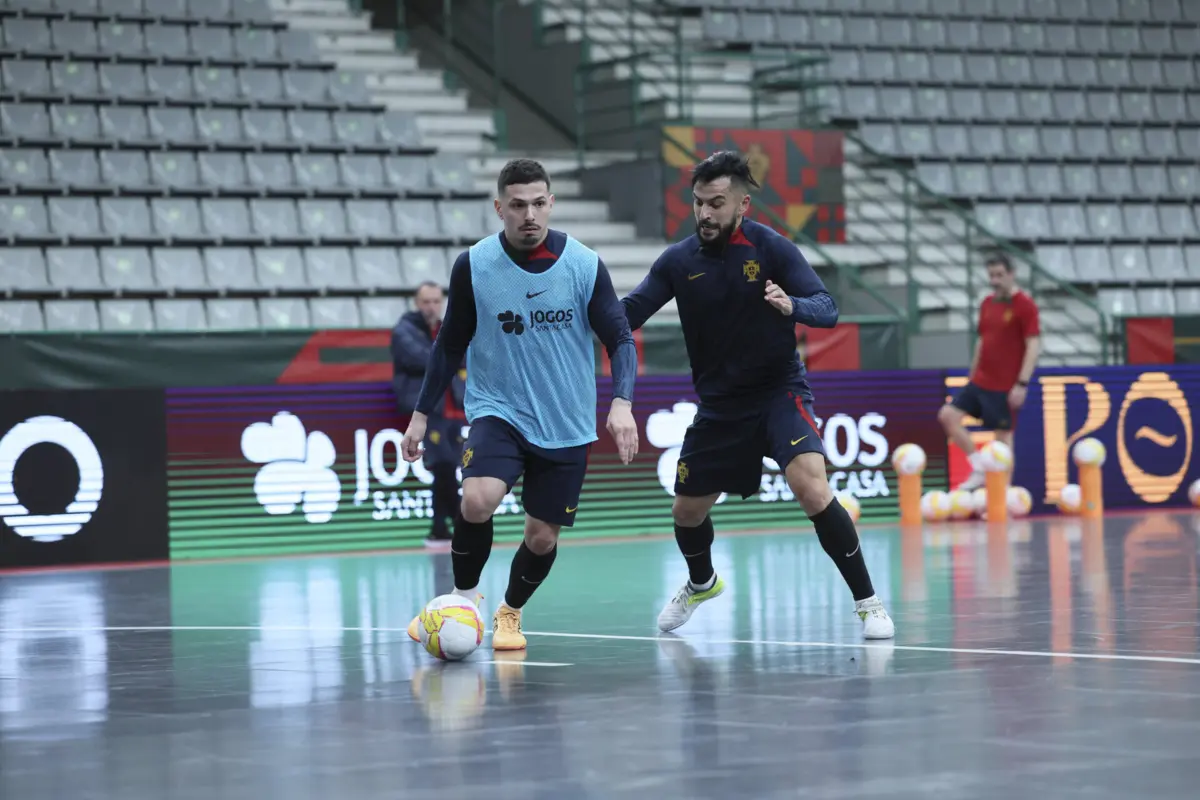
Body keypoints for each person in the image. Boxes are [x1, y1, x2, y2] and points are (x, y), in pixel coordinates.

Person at [621, 151, 895, 640]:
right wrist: (577, 312)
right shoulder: (678, 261)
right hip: (720, 407)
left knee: (812, 487)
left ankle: (868, 602)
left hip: (777, 392)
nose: (705, 214)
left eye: (716, 203)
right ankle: (701, 582)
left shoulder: (773, 249)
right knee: (685, 512)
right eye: (699, 203)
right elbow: (631, 312)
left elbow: (828, 308)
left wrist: (793, 305)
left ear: (742, 204)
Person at [400, 158, 640, 652]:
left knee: (541, 539)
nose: (529, 214)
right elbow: (449, 343)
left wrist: (622, 402)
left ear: (551, 203)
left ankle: (510, 612)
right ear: (499, 208)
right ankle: (462, 602)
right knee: (477, 499)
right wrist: (421, 415)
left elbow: (619, 337)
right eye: (517, 205)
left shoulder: (584, 265)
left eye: (538, 204)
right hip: (498, 409)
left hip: (567, 421)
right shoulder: (474, 265)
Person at [937, 254, 1040, 492]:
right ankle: (979, 467)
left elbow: (1033, 345)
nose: (995, 280)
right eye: (991, 276)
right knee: (948, 416)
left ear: (1011, 274)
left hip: (1005, 385)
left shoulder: (1024, 305)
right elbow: (982, 341)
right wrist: (972, 376)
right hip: (981, 380)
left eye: (999, 275)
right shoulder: (987, 303)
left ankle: (1004, 494)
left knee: (1002, 439)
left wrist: (1022, 383)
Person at [391, 280, 467, 549]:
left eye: (436, 301)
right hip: (426, 410)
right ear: (416, 302)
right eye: (426, 301)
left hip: (453, 407)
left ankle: (439, 528)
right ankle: (461, 522)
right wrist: (450, 355)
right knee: (443, 463)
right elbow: (427, 359)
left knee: (445, 467)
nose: (432, 306)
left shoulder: (447, 327)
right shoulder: (404, 330)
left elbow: (462, 355)